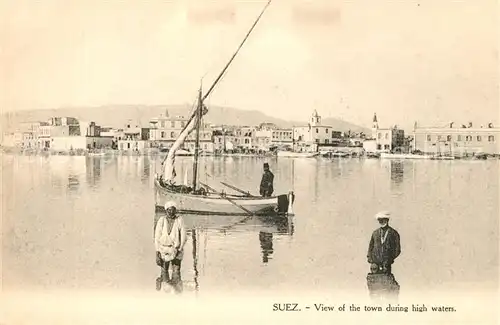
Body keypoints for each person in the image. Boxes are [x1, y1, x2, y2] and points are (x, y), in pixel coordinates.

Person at [154, 201, 187, 292]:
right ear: (166, 211)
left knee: (176, 272)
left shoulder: (179, 220)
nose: (171, 212)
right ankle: (165, 292)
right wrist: (157, 253)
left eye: (173, 210)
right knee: (164, 272)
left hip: (176, 250)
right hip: (163, 249)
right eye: (169, 210)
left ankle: (177, 294)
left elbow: (184, 236)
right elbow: (157, 237)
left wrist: (179, 249)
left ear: (175, 211)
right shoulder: (161, 220)